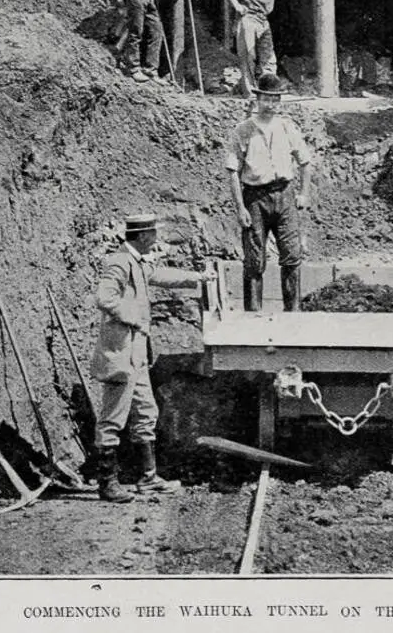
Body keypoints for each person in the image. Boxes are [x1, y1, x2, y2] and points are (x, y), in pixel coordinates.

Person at [90, 213, 214, 502]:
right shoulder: (120, 262)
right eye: (154, 234)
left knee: (146, 412)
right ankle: (107, 484)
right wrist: (136, 318)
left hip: (138, 355)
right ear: (144, 235)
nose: (157, 238)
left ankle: (148, 478)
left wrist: (197, 277)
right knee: (112, 418)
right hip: (121, 354)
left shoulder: (138, 262)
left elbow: (159, 275)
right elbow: (105, 298)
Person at [225, 74, 312, 311]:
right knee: (254, 260)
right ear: (257, 99)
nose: (271, 104)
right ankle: (253, 316)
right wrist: (240, 207)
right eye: (266, 99)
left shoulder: (287, 127)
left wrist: (303, 193)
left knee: (292, 255)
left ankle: (292, 314)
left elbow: (305, 162)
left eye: (275, 100)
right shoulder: (242, 130)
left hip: (284, 195)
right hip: (255, 198)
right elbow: (233, 171)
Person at [221, 0, 321, 98]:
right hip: (248, 19)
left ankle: (268, 92)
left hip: (263, 21)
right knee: (248, 56)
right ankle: (250, 95)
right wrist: (237, 5)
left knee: (269, 59)